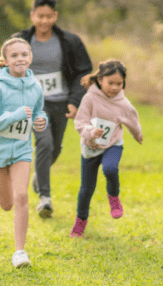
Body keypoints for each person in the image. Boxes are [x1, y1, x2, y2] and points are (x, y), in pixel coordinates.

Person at [11, 0, 93, 218]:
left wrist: (75, 100)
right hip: (34, 103)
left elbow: (83, 72)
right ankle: (45, 197)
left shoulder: (70, 41)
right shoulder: (21, 41)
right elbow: (6, 67)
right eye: (40, 16)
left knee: (55, 147)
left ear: (55, 16)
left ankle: (40, 175)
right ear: (32, 16)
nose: (44, 20)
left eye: (48, 16)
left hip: (60, 101)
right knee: (44, 142)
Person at [0, 38, 47, 268]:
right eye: (14, 55)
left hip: (22, 149)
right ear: (6, 61)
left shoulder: (35, 87)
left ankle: (20, 252)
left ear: (31, 58)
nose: (20, 59)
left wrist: (39, 120)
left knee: (21, 196)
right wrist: (14, 115)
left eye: (24, 54)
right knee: (6, 205)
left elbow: (38, 111)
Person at [70, 60, 142, 237]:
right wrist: (91, 131)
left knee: (110, 169)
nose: (115, 87)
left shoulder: (123, 103)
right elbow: (80, 122)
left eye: (119, 84)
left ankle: (114, 198)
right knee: (86, 190)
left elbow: (132, 119)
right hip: (91, 147)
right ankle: (80, 221)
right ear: (100, 80)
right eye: (111, 83)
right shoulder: (90, 98)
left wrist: (137, 134)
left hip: (113, 144)